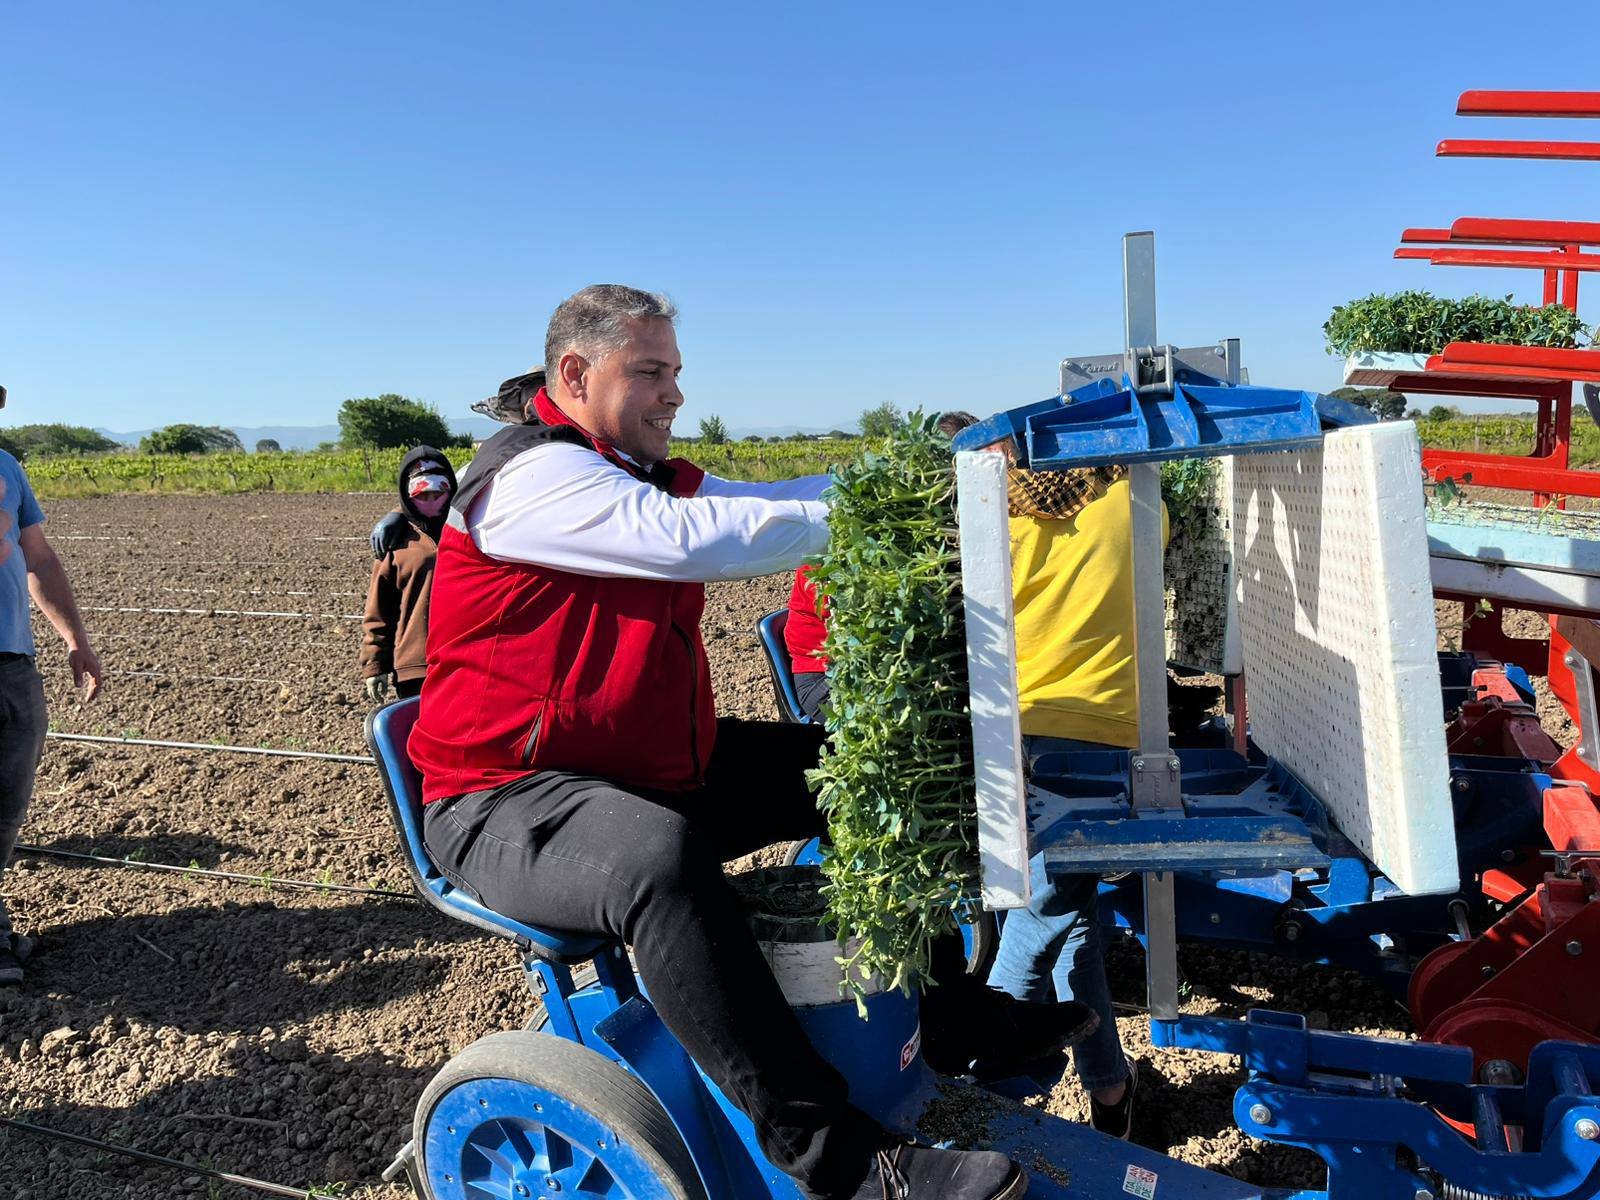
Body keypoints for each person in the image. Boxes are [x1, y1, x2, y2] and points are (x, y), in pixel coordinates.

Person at [408, 285, 1094, 1200]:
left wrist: (938, 477)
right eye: (649, 372)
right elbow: (699, 538)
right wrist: (909, 503)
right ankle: (836, 1157)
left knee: (851, 776)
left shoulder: (637, 471)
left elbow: (773, 499)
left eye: (675, 372)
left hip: (643, 768)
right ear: (573, 374)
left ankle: (950, 1018)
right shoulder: (528, 479)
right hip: (503, 796)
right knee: (659, 860)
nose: (673, 394)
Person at [785, 413, 1148, 1140]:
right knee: (1051, 916)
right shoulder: (1138, 498)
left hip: (1020, 733)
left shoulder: (986, 522)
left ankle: (1090, 1089)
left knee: (1057, 913)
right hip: (1104, 739)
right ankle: (980, 1103)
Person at [0, 448, 103, 987]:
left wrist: (75, 640)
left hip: (11, 661)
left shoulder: (5, 468)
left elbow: (37, 557)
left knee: (7, 798)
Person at [359, 447, 458, 703]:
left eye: (438, 492)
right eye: (423, 494)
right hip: (415, 665)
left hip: (466, 659)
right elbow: (379, 609)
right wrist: (375, 664)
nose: (432, 499)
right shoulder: (395, 542)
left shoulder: (469, 528)